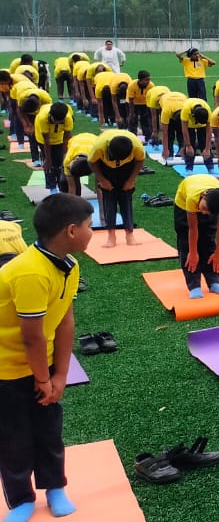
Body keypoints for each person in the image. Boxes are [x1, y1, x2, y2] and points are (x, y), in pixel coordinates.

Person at [0, 194, 93, 521]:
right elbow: (31, 336)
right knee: (13, 436)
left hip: (44, 363)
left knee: (49, 430)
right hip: (7, 369)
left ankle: (55, 486)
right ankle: (21, 498)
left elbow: (65, 321)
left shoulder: (70, 265)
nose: (90, 232)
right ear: (71, 231)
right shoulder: (30, 273)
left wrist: (60, 375)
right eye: (88, 226)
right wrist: (43, 379)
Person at [174, 175, 219, 300]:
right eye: (205, 209)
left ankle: (214, 282)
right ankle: (194, 285)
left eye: (209, 213)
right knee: (188, 249)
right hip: (183, 206)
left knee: (208, 241)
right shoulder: (192, 198)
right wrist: (193, 251)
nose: (204, 213)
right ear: (204, 196)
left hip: (209, 202)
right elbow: (192, 229)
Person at [89, 130, 143, 248]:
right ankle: (111, 235)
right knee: (109, 200)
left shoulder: (137, 146)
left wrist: (131, 180)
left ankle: (129, 234)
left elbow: (140, 160)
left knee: (126, 198)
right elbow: (92, 162)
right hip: (106, 168)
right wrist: (102, 180)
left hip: (127, 168)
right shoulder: (100, 146)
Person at [34, 103, 73, 194]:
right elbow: (46, 140)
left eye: (60, 122)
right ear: (51, 116)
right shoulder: (42, 118)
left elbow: (66, 138)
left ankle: (61, 185)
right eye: (55, 121)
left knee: (60, 162)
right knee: (48, 164)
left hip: (59, 138)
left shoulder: (68, 119)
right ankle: (52, 187)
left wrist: (64, 154)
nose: (58, 123)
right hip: (43, 139)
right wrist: (48, 159)